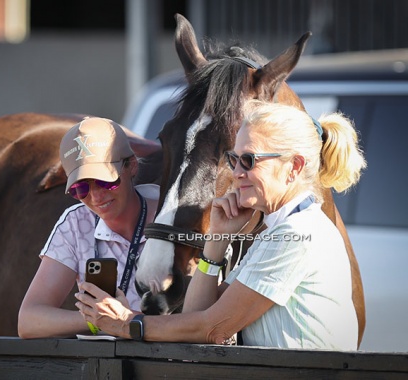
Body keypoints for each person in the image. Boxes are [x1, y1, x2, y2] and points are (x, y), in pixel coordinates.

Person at [74, 100, 366, 350]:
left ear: (295, 167)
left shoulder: (296, 233)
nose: (236, 173)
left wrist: (127, 324)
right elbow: (199, 313)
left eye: (249, 161)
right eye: (233, 159)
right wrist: (216, 242)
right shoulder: (279, 230)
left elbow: (213, 328)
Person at [18, 117, 159, 339]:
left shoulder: (172, 216)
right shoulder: (76, 222)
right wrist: (99, 318)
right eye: (80, 188)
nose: (95, 197)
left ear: (131, 165)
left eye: (105, 181)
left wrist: (128, 320)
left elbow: (201, 316)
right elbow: (28, 321)